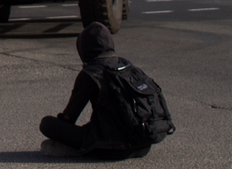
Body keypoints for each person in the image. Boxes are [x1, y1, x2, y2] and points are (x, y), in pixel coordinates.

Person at [39, 23, 153, 160]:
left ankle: (84, 149)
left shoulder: (91, 73)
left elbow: (70, 116)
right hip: (144, 144)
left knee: (47, 124)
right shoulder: (128, 67)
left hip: (113, 148)